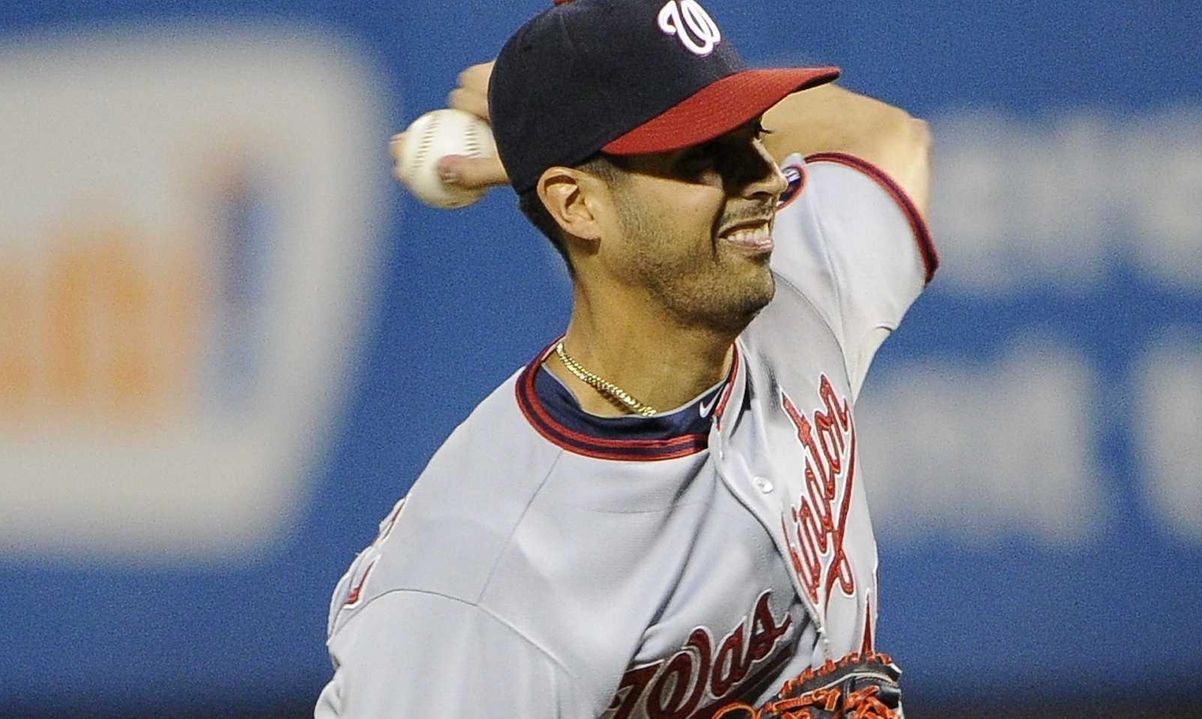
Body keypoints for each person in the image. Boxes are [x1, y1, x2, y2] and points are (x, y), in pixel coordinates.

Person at [315, 0, 937, 716]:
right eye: (705, 156)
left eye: (755, 135)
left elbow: (886, 137)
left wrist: (540, 135)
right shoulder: (484, 580)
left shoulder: (794, 292)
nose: (766, 179)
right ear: (576, 205)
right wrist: (548, 138)